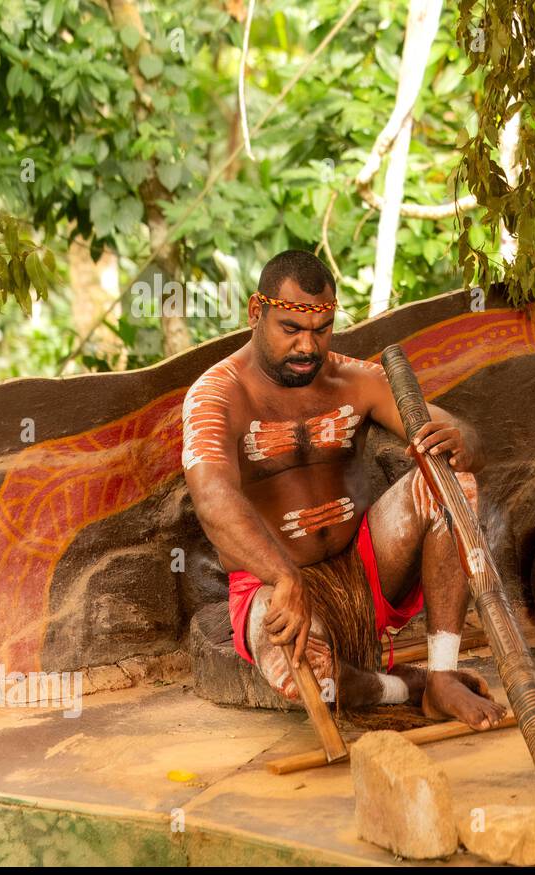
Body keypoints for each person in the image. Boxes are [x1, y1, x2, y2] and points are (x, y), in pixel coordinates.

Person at [182, 250, 507, 726]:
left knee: (450, 482)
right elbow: (212, 497)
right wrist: (284, 577)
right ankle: (400, 686)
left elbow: (456, 435)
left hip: (365, 569)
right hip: (274, 585)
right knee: (309, 679)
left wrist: (466, 441)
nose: (307, 347)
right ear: (257, 313)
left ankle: (441, 675)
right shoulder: (216, 394)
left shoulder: (358, 379)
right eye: (290, 329)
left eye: (321, 329)